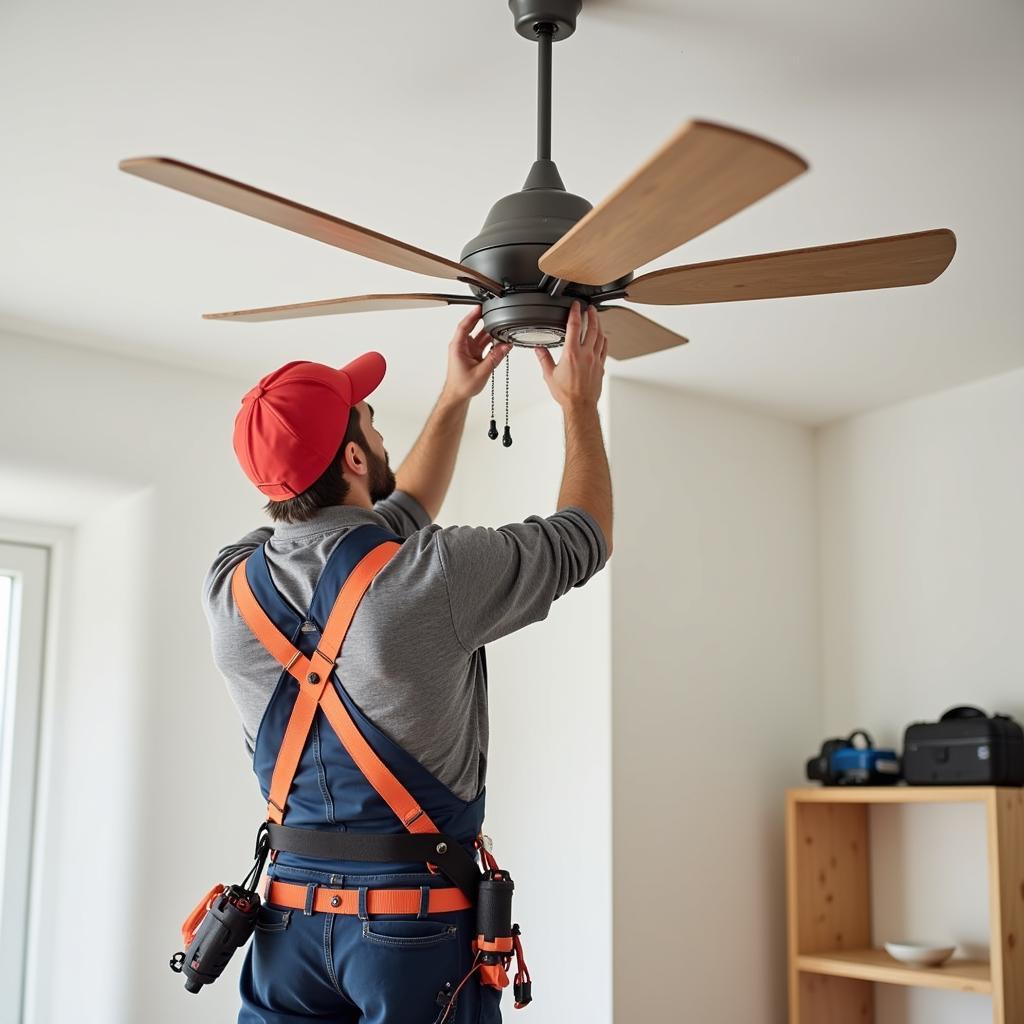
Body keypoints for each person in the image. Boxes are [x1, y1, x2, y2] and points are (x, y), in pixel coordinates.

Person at [203, 301, 612, 1023]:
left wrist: (455, 396)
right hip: (411, 927)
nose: (378, 424)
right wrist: (580, 405)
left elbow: (386, 518)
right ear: (356, 459)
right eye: (368, 418)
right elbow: (583, 538)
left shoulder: (229, 584)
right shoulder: (433, 574)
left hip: (284, 925)